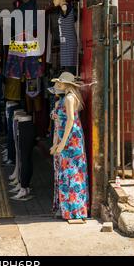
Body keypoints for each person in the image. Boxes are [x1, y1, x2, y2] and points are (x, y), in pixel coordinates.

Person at [50, 72, 89, 220]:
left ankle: (74, 211)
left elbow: (70, 121)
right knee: (70, 171)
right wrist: (57, 143)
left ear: (66, 84)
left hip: (71, 139)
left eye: (59, 82)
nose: (57, 85)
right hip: (69, 138)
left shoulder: (69, 98)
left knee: (71, 172)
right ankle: (71, 210)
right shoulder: (67, 98)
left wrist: (62, 144)